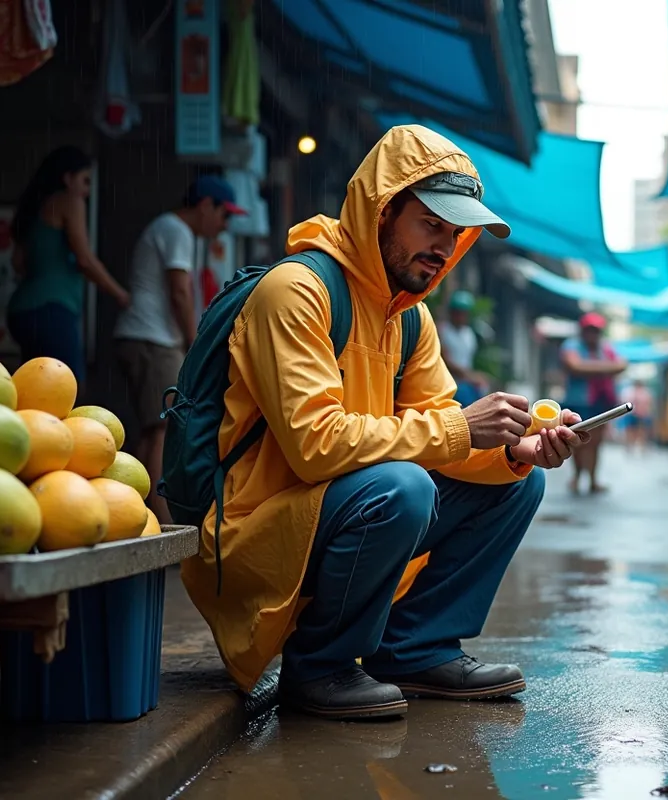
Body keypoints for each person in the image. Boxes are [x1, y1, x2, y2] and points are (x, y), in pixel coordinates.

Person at [179, 125, 589, 721]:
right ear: (383, 209)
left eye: (455, 234)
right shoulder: (295, 293)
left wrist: (513, 451)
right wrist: (459, 429)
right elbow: (316, 448)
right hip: (257, 531)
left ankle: (412, 648)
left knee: (516, 480)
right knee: (404, 486)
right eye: (430, 225)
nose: (443, 248)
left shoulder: (411, 320)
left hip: (342, 513)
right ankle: (320, 666)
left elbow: (443, 436)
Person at [114, 175, 244, 523]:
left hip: (147, 337)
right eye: (224, 215)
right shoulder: (177, 231)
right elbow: (180, 291)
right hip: (153, 339)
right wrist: (196, 342)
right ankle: (163, 520)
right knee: (165, 428)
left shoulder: (172, 229)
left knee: (152, 431)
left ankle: (142, 514)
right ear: (205, 205)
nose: (224, 225)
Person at [7, 146, 131, 384]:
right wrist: (121, 295)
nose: (87, 190)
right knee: (68, 386)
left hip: (22, 311)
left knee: (35, 387)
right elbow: (85, 259)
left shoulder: (33, 209)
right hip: (52, 311)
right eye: (85, 181)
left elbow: (18, 263)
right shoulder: (69, 200)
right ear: (67, 178)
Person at [560, 312, 626, 494]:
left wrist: (587, 367)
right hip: (578, 401)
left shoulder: (605, 348)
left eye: (595, 331)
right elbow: (574, 366)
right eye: (589, 330)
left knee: (595, 443)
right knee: (576, 441)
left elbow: (622, 365)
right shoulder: (572, 345)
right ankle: (577, 476)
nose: (592, 334)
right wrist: (605, 368)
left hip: (599, 402)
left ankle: (592, 479)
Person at [438, 289, 490, 405]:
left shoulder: (469, 334)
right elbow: (446, 361)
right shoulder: (443, 331)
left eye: (464, 313)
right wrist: (470, 376)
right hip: (449, 381)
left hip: (465, 380)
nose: (461, 316)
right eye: (458, 313)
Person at [622, 379, 654, 453]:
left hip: (641, 414)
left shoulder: (644, 393)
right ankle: (632, 446)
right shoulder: (631, 392)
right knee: (633, 431)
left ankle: (638, 447)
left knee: (640, 431)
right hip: (635, 414)